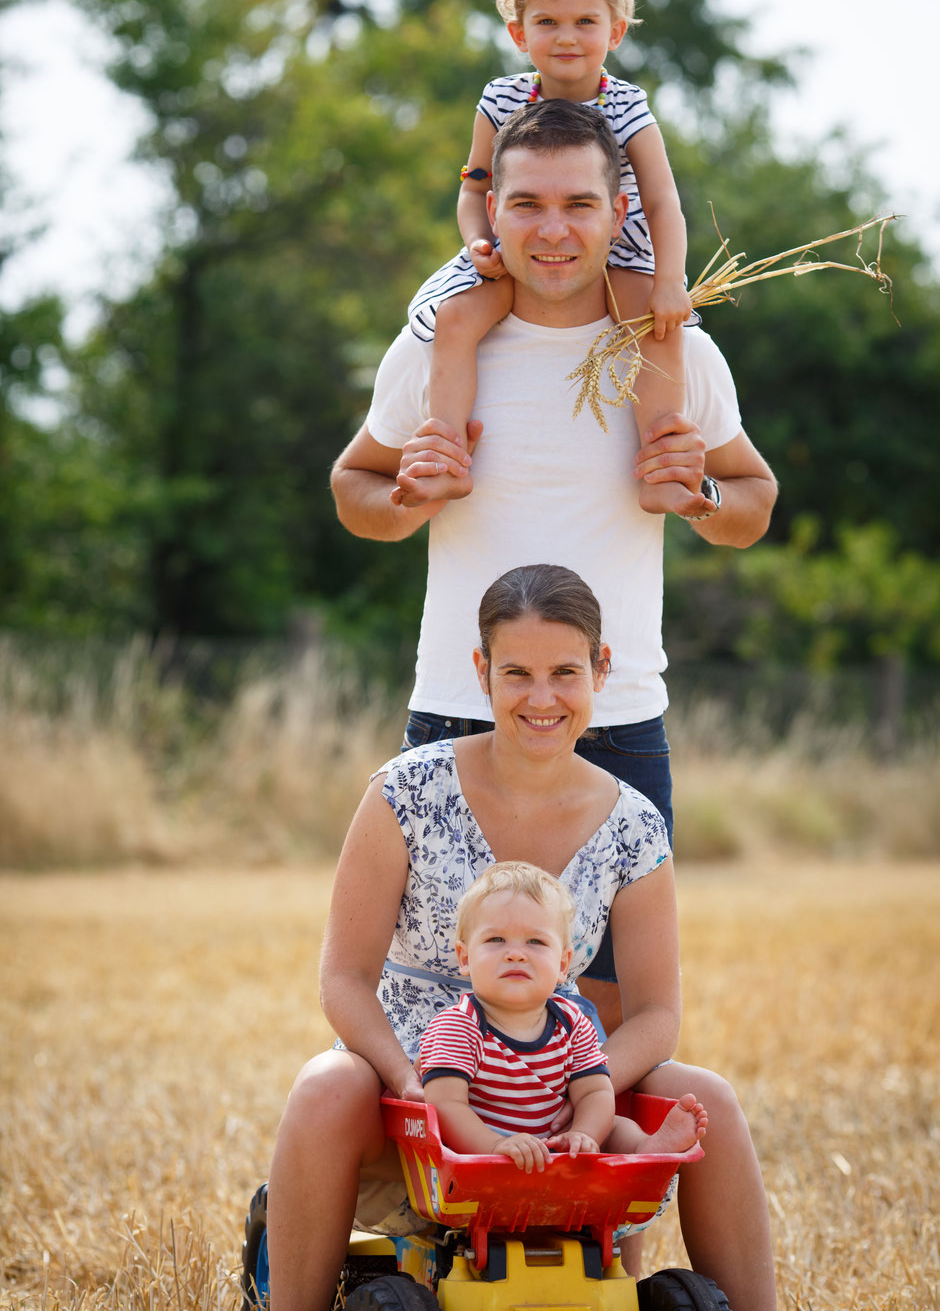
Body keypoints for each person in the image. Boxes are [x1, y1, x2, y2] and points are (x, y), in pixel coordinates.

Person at [330, 97, 778, 1040]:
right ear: (491, 210)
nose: (553, 229)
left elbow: (755, 502)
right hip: (458, 707)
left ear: (622, 213)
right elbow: (352, 489)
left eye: (579, 204)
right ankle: (403, 1181)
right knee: (431, 986)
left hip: (616, 723)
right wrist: (407, 497)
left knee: (606, 1010)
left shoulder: (674, 350)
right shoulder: (438, 348)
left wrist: (697, 498)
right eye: (526, 203)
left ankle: (565, 1191)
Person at [265, 565, 777, 1311]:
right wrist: (410, 1083)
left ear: (601, 670)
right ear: (482, 673)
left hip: (555, 1065)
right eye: (518, 673)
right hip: (410, 1072)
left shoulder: (633, 825)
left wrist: (585, 1095)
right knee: (322, 1085)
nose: (542, 698)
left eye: (566, 672)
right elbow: (343, 979)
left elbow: (659, 1012)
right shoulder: (404, 791)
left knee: (710, 1099)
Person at [409, 0, 695, 516]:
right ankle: (446, 457)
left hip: (619, 245)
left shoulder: (628, 105)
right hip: (519, 246)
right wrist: (478, 244)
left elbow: (664, 199)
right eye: (547, 22)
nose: (567, 37)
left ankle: (663, 467)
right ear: (518, 33)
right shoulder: (501, 98)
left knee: (657, 332)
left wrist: (670, 279)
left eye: (585, 22)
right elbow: (473, 188)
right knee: (454, 321)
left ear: (615, 31)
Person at [420, 859, 707, 1171]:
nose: (515, 952)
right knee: (456, 1131)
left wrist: (584, 1134)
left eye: (535, 941)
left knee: (613, 1124)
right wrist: (495, 1145)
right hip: (486, 1153)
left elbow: (595, 1091)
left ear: (562, 964)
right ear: (465, 957)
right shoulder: (459, 1025)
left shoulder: (571, 1023)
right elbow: (445, 1105)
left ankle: (644, 1147)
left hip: (557, 1147)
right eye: (495, 940)